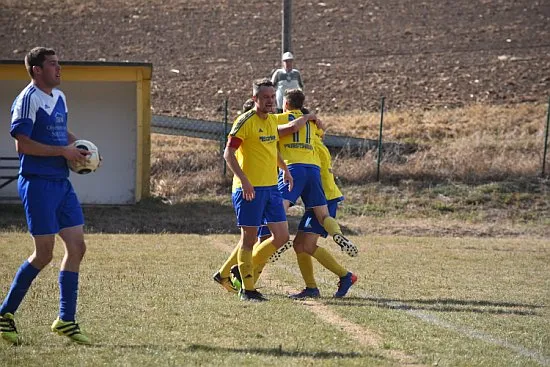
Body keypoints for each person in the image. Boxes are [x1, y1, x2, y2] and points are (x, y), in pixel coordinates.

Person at [0, 47, 91, 345]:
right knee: (44, 254)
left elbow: (59, 133)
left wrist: (81, 146)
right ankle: (5, 314)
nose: (58, 68)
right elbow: (23, 145)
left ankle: (66, 319)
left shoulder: (60, 98)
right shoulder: (27, 99)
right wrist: (62, 152)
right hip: (37, 183)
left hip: (61, 183)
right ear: (37, 70)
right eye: (52, 64)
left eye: (58, 63)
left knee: (77, 247)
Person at [213, 91, 317, 297]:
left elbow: (271, 148)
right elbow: (228, 153)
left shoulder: (271, 120)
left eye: (272, 96)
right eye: (266, 97)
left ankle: (234, 271)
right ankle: (248, 289)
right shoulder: (245, 121)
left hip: (271, 189)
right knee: (249, 239)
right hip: (251, 189)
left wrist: (285, 170)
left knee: (282, 237)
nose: (271, 100)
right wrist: (244, 181)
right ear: (255, 99)